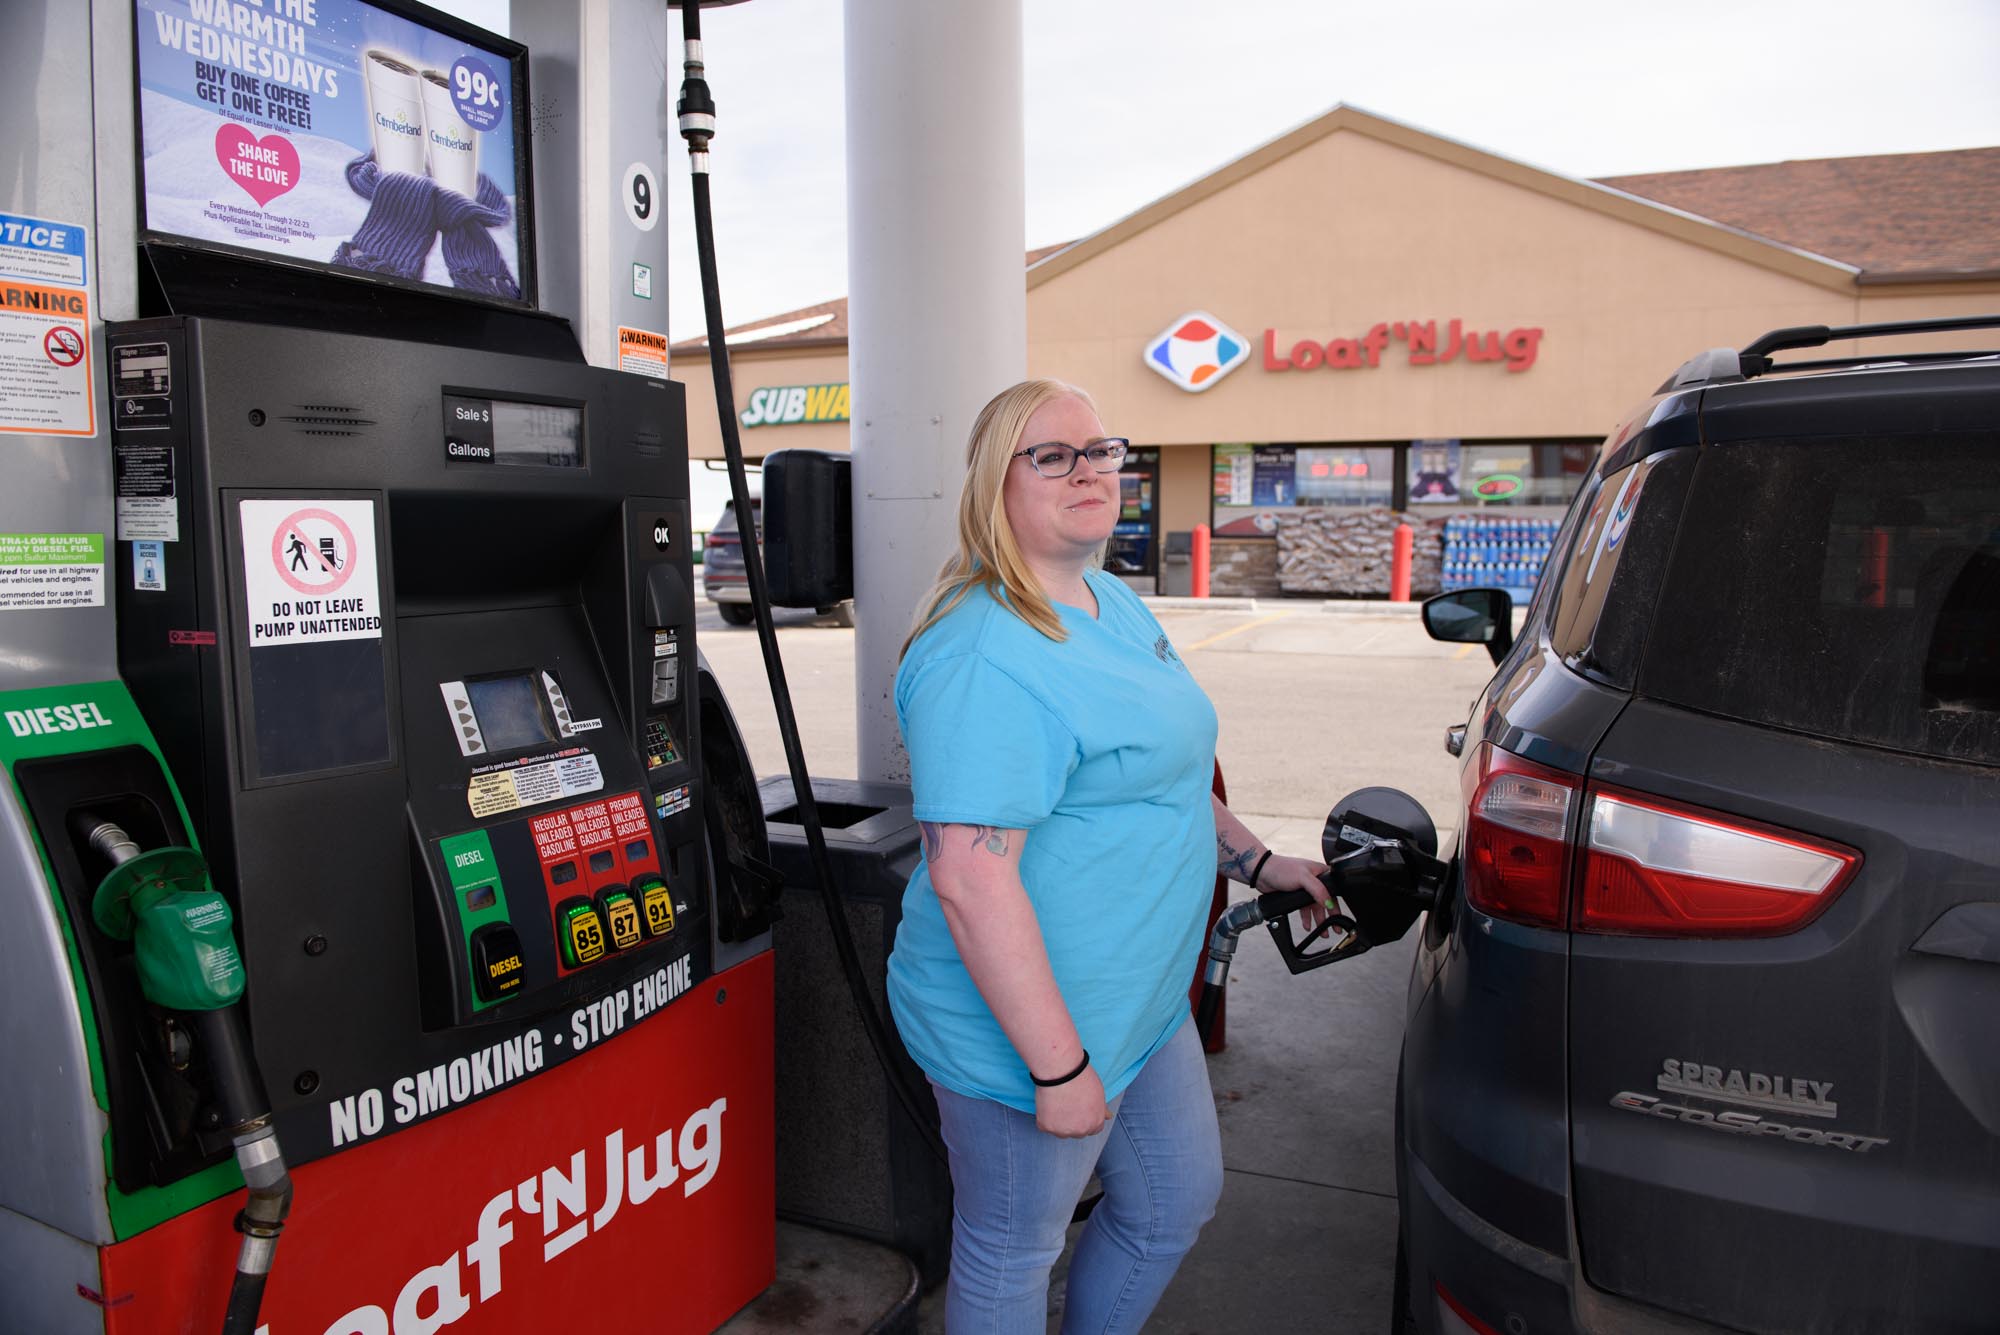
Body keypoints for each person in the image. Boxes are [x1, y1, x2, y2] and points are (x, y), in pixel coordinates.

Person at [887, 379, 1332, 1333]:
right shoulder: (981, 654)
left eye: (1100, 449)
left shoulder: (1108, 600)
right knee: (1012, 1251)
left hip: (1141, 1002)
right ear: (994, 483)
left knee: (1173, 1203)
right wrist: (1058, 1072)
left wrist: (1259, 862)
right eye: (1052, 455)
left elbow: (1168, 774)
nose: (1087, 471)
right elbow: (970, 878)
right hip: (1032, 1031)